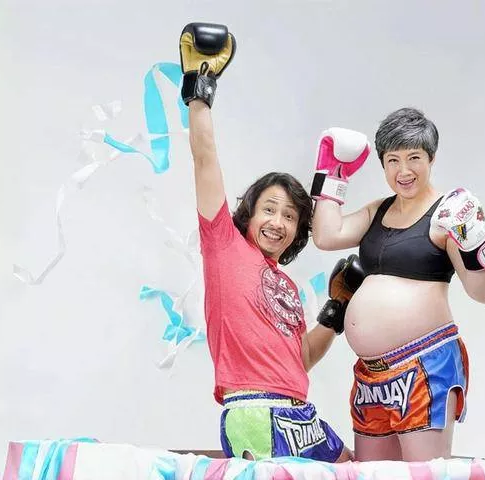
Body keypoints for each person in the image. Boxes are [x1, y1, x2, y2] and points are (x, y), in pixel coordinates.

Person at [179, 22, 355, 462]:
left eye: (290, 215)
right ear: (250, 214)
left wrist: (336, 310)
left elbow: (300, 357)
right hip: (256, 412)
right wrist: (200, 91)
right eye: (270, 209)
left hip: (297, 412)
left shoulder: (287, 287)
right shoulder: (224, 244)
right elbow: (205, 160)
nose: (278, 222)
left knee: (351, 466)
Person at [309, 108, 485, 462]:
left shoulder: (446, 215)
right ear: (383, 164)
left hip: (425, 365)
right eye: (393, 160)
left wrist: (475, 240)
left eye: (414, 158)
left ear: (431, 158)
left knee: (422, 475)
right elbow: (326, 235)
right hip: (372, 374)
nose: (404, 171)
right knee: (372, 474)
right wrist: (332, 173)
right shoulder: (378, 210)